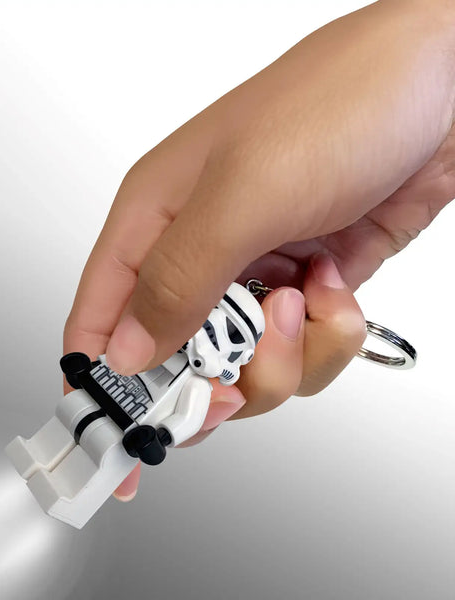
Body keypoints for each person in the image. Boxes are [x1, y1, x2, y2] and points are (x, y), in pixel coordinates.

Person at [62, 0, 455, 502]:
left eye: (227, 335)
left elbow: (183, 418)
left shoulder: (195, 376)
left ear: (235, 359)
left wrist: (156, 436)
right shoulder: (182, 348)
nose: (210, 334)